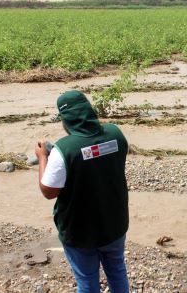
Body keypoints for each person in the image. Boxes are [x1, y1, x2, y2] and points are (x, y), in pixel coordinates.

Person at [35, 90, 130, 293]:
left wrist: (43, 157)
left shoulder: (64, 149)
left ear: (65, 120)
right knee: (117, 271)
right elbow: (96, 156)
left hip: (80, 231)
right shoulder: (115, 133)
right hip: (114, 224)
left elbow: (48, 190)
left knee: (87, 280)